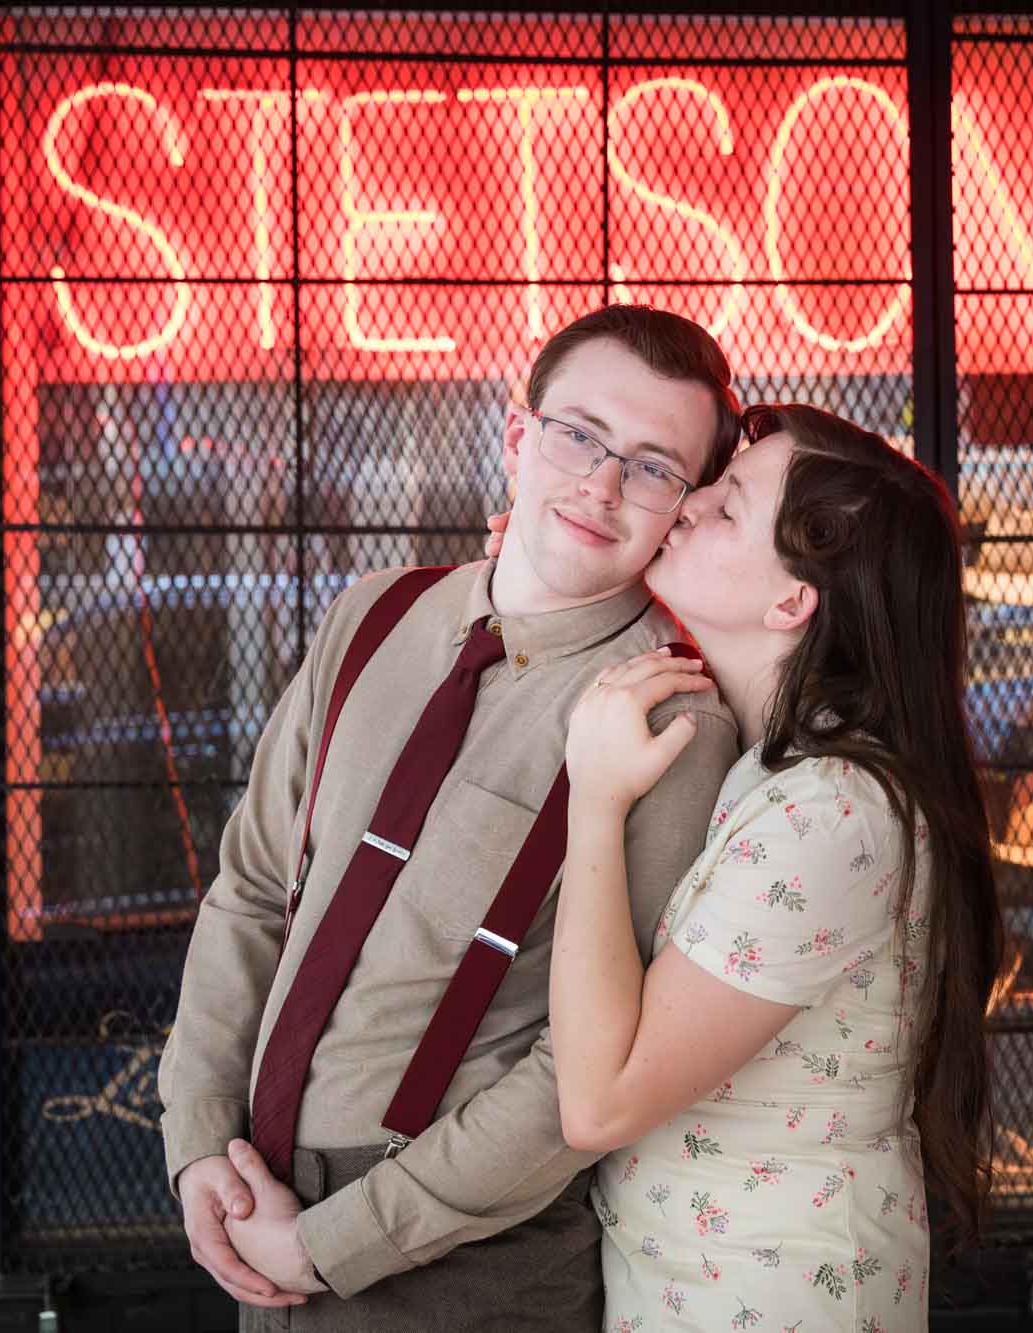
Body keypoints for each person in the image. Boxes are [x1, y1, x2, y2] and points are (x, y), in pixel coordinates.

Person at [157, 305, 744, 1330]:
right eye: (579, 435)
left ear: (682, 508)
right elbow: (252, 889)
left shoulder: (672, 720)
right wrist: (201, 1139)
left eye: (653, 467)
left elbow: (589, 1063)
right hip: (255, 1200)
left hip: (467, 1268)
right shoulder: (373, 613)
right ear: (519, 436)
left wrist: (331, 1243)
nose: (601, 485)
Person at [547, 404, 1002, 1330]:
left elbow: (597, 1103)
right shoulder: (781, 768)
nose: (688, 501)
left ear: (793, 602)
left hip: (766, 1301)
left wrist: (594, 801)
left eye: (726, 506)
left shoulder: (829, 812)